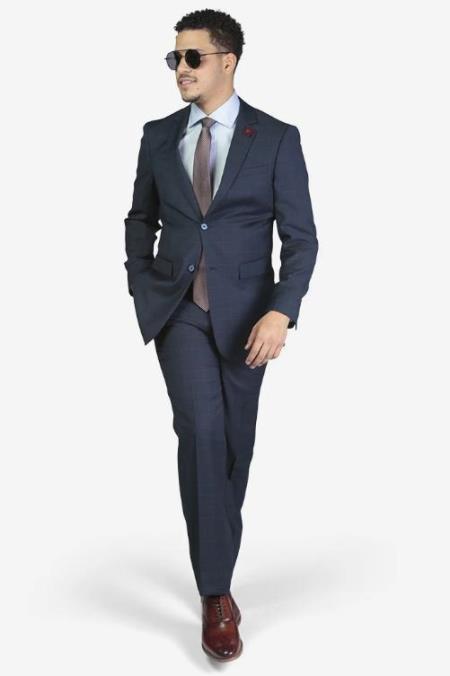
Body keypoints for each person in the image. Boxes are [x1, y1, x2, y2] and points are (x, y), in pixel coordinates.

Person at [123, 9, 319, 661]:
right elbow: (140, 218)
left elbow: (301, 239)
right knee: (202, 432)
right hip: (178, 308)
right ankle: (216, 594)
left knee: (236, 445)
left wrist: (280, 312)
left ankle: (217, 553)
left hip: (249, 318)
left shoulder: (277, 138)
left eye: (192, 57)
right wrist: (141, 282)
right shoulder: (158, 135)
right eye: (174, 58)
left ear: (227, 61)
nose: (180, 69)